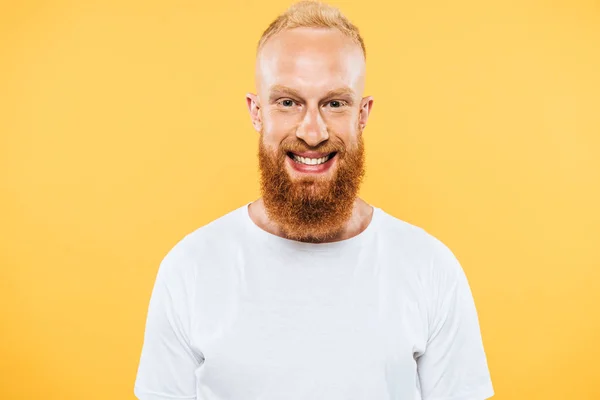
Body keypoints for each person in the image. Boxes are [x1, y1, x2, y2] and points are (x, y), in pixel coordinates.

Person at [133, 1, 494, 399]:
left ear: (363, 114)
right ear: (257, 112)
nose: (312, 132)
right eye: (288, 102)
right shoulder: (190, 268)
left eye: (334, 103)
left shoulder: (430, 268)